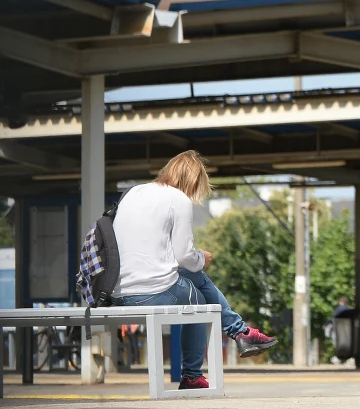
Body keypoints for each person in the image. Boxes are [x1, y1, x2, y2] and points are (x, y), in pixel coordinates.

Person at [112, 151, 275, 389]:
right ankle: (193, 374)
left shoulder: (133, 193)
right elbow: (184, 257)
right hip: (150, 292)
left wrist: (193, 263)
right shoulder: (178, 199)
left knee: (192, 277)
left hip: (118, 292)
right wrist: (202, 258)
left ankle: (241, 333)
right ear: (193, 180)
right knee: (198, 300)